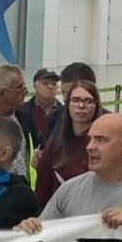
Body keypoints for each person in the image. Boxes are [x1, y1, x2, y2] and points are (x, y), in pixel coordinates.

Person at [17, 115, 122, 228]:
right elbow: (44, 238)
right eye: (90, 139)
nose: (90, 147)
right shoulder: (69, 190)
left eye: (100, 140)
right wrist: (29, 229)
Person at [35, 78, 102, 209]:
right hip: (58, 214)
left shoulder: (103, 144)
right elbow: (42, 190)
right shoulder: (56, 142)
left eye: (88, 101)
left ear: (96, 105)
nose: (81, 106)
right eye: (75, 100)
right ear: (68, 103)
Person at [13, 68, 61, 154]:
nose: (50, 87)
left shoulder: (65, 113)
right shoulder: (19, 112)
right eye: (45, 83)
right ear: (35, 86)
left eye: (54, 84)